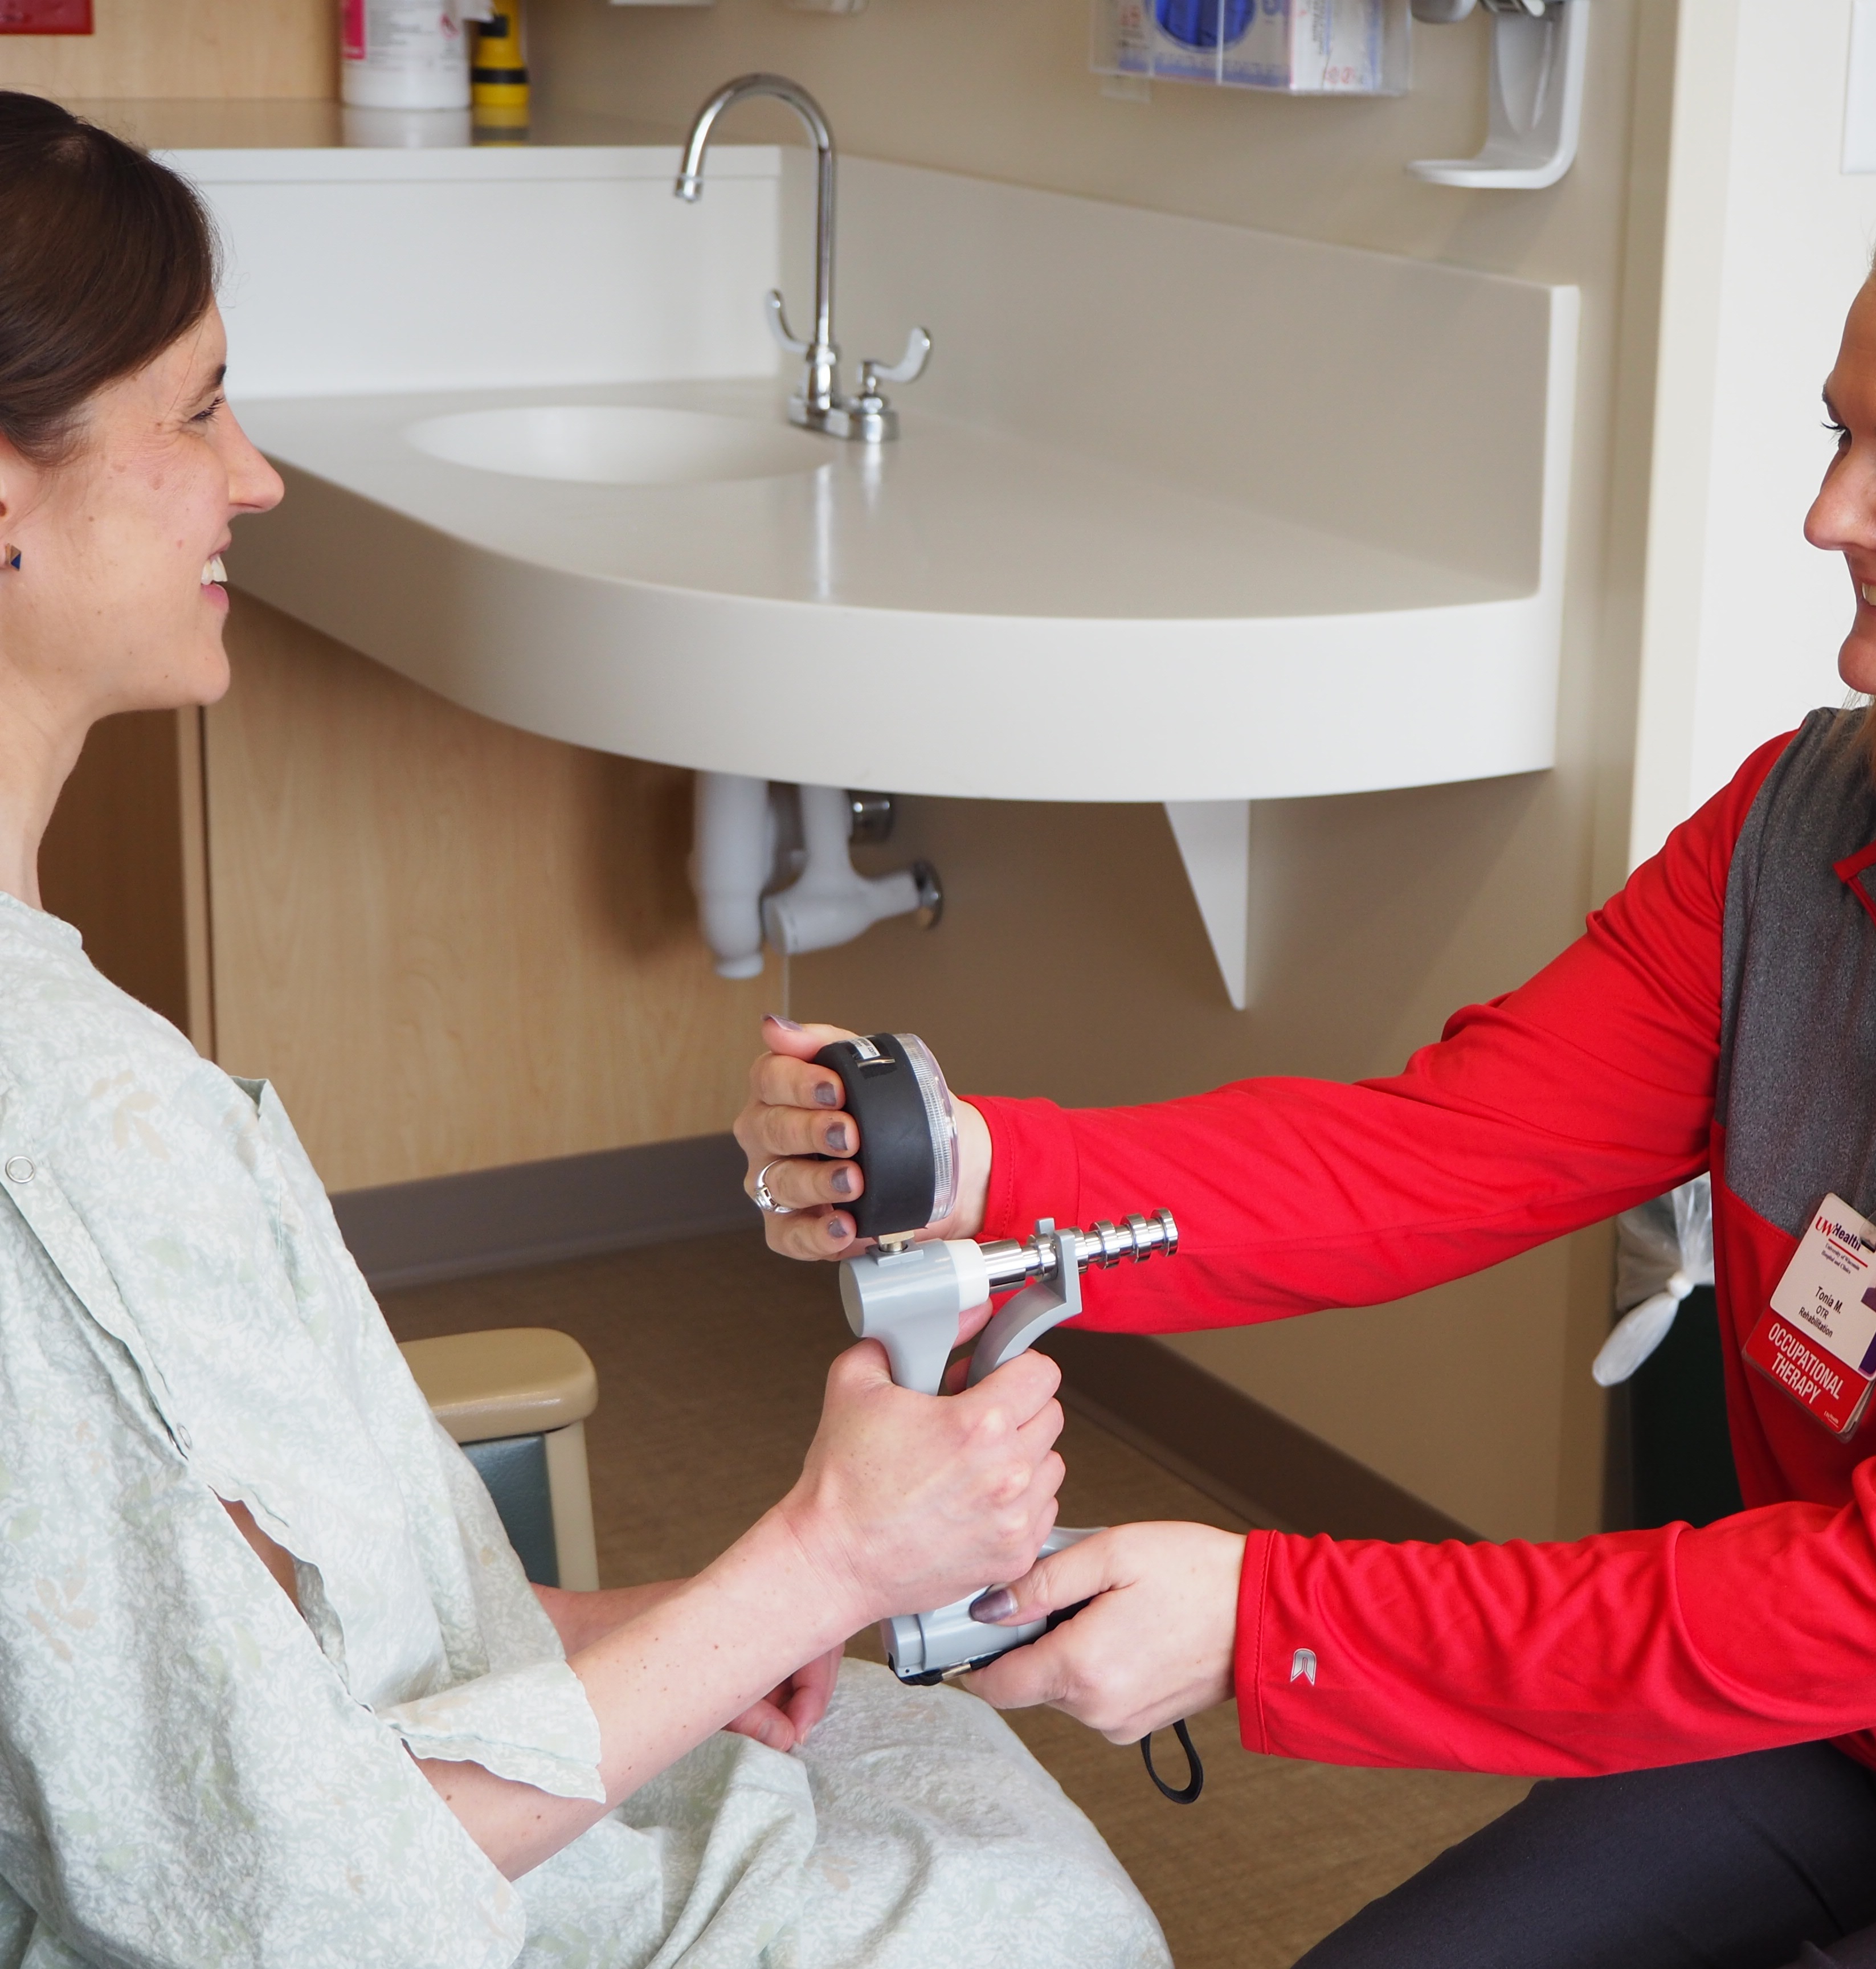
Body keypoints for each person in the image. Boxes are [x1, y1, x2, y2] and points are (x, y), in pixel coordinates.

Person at [741, 146, 1876, 1968]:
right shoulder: (1823, 828)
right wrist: (978, 1170)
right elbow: (1442, 1154)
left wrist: (1271, 1617)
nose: (1829, 514)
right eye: (1840, 437)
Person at [0, 94, 1166, 1968]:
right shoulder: (63, 1143)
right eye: (200, 412)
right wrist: (823, 1559)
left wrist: (661, 1629)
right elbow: (285, 1907)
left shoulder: (70, 1063)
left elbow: (218, 1637)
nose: (256, 479)